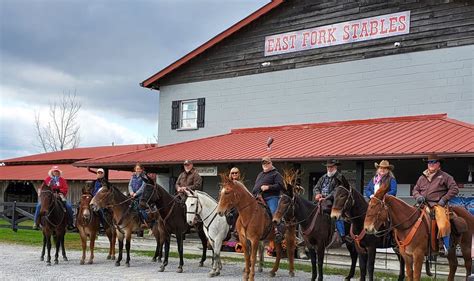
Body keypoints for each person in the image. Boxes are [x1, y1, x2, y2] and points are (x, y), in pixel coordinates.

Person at [412, 154, 459, 254]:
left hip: (437, 205)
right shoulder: (422, 177)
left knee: (443, 224)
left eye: (434, 162)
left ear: (439, 164)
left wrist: (444, 199)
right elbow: (415, 190)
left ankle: (444, 246)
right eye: (429, 162)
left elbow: (454, 189)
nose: (431, 164)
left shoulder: (445, 177)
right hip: (422, 204)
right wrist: (418, 197)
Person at [313, 159, 350, 246]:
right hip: (321, 200)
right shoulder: (323, 177)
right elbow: (316, 187)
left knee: (337, 215)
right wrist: (317, 194)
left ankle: (342, 235)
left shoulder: (340, 177)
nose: (329, 168)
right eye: (328, 167)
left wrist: (326, 198)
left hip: (335, 201)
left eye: (331, 167)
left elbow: (337, 190)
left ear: (335, 167)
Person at [252, 157, 284, 242]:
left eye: (267, 163)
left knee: (274, 212)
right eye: (263, 163)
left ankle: (278, 232)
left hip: (271, 197)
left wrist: (268, 187)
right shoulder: (260, 174)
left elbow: (280, 186)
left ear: (271, 163)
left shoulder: (276, 174)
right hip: (258, 197)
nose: (265, 165)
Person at [33, 166, 75, 230]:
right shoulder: (47, 179)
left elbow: (65, 189)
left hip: (59, 195)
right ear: (52, 172)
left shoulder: (62, 180)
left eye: (57, 171)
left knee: (68, 206)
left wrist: (60, 190)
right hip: (49, 196)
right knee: (39, 205)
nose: (56, 172)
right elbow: (42, 188)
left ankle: (70, 223)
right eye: (55, 171)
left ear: (59, 172)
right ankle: (36, 222)